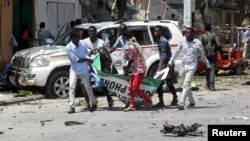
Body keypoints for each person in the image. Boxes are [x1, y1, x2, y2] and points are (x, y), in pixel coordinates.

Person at [167, 27, 211, 110]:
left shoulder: (197, 43)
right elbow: (176, 52)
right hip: (183, 66)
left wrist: (208, 65)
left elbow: (202, 55)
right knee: (186, 86)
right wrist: (171, 61)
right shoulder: (182, 41)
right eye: (185, 33)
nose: (186, 35)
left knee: (186, 85)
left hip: (192, 66)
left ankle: (181, 103)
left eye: (188, 33)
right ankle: (192, 102)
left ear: (193, 34)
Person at [66, 29, 97, 113]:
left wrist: (94, 50)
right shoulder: (69, 47)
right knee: (72, 87)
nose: (79, 38)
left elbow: (87, 51)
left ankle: (93, 103)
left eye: (79, 36)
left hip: (83, 69)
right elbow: (76, 60)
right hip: (74, 70)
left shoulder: (82, 43)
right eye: (77, 36)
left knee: (88, 87)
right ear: (72, 37)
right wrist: (87, 59)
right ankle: (71, 106)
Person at [82, 26, 114, 108]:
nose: (91, 33)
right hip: (87, 66)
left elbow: (105, 55)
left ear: (96, 33)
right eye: (90, 31)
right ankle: (87, 103)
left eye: (93, 31)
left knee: (100, 84)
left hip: (98, 67)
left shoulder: (101, 42)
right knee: (83, 84)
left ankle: (108, 97)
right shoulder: (84, 42)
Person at [123, 30, 152, 111]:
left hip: (139, 69)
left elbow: (131, 59)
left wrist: (126, 70)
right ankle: (132, 105)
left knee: (135, 88)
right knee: (130, 87)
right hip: (137, 68)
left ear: (126, 38)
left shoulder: (131, 46)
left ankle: (148, 100)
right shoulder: (136, 43)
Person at [152, 25, 178, 109]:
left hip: (168, 64)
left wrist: (159, 69)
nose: (155, 33)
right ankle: (161, 102)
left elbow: (163, 56)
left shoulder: (163, 41)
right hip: (164, 64)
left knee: (169, 82)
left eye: (157, 31)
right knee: (159, 83)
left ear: (161, 32)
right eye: (154, 31)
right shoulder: (158, 40)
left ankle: (175, 97)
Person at [200, 23, 223, 91]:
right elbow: (218, 44)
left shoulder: (202, 36)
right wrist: (220, 51)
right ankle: (212, 86)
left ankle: (207, 85)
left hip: (205, 54)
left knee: (207, 69)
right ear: (210, 28)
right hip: (213, 53)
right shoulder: (214, 35)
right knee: (212, 69)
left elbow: (200, 46)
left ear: (205, 28)